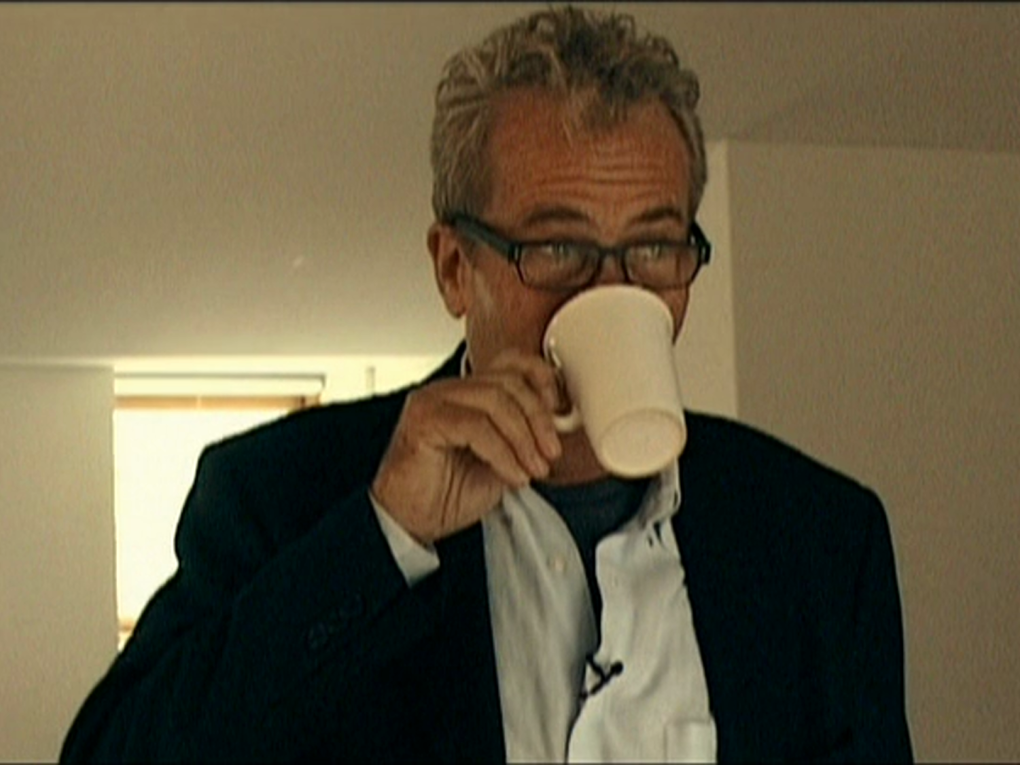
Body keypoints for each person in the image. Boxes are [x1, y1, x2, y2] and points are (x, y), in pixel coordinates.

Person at [60, 5, 913, 762]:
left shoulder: (819, 539)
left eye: (654, 246)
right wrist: (384, 536)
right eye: (556, 247)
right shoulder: (285, 496)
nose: (611, 291)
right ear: (453, 269)